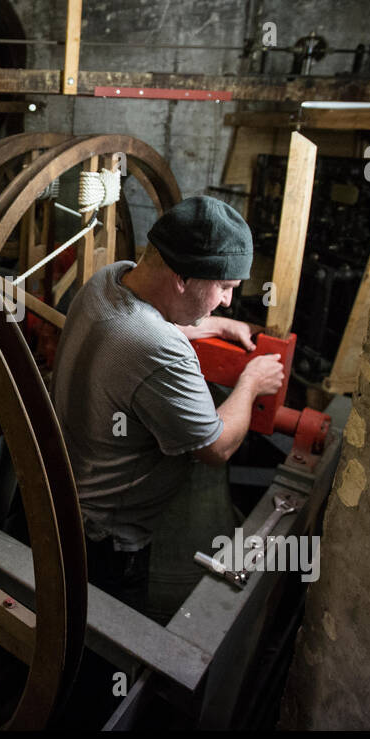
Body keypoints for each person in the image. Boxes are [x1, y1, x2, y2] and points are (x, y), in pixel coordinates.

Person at [50, 195, 285, 617]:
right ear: (182, 278)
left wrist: (211, 324)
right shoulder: (159, 348)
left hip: (60, 502)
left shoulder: (109, 279)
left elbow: (145, 320)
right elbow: (216, 448)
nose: (229, 301)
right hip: (106, 542)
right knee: (109, 653)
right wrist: (251, 384)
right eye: (225, 288)